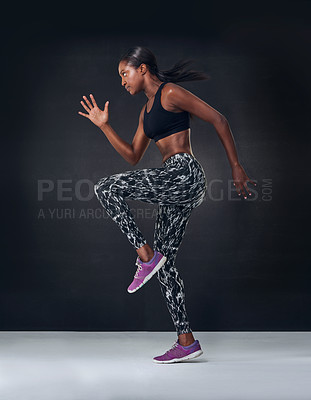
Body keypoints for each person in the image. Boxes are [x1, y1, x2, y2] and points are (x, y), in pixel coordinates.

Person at [78, 46, 256, 364]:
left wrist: (235, 166)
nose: (122, 82)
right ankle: (186, 341)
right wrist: (104, 125)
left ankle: (145, 256)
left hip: (183, 173)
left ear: (143, 69)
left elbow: (218, 119)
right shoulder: (145, 112)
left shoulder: (170, 92)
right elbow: (133, 155)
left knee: (106, 188)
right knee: (166, 265)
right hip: (175, 186)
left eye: (124, 74)